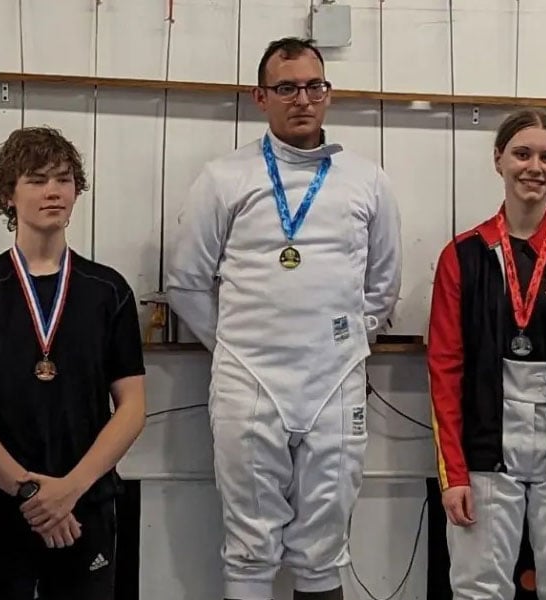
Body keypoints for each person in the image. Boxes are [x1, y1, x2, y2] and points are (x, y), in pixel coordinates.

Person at [166, 37, 402, 600]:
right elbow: (187, 282)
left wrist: (341, 343)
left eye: (313, 86)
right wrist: (238, 345)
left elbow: (382, 286)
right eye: (287, 88)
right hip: (250, 379)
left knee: (322, 547)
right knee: (249, 544)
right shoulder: (224, 178)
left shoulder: (367, 180)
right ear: (260, 97)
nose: (302, 99)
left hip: (334, 382)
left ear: (329, 94)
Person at [427, 108, 546, 599]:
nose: (535, 166)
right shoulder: (462, 254)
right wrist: (452, 472)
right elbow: (445, 368)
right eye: (522, 153)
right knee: (477, 589)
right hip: (484, 447)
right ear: (498, 160)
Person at [0, 126, 148, 599]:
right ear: (7, 194)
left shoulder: (109, 290)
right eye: (37, 179)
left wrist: (69, 490)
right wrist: (29, 493)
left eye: (64, 179)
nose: (53, 191)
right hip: (2, 506)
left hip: (86, 503)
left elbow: (133, 406)